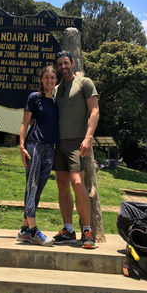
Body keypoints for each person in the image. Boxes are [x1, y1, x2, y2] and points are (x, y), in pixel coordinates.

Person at [51, 50, 100, 249]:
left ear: (72, 62)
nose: (63, 67)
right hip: (57, 142)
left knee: (77, 182)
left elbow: (95, 110)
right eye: (59, 64)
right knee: (62, 183)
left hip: (76, 142)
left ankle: (87, 230)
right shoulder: (56, 89)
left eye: (66, 63)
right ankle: (68, 229)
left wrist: (88, 138)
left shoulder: (85, 83)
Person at [16, 66, 60, 247]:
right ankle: (34, 232)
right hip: (34, 144)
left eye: (52, 78)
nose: (49, 80)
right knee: (31, 186)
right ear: (41, 79)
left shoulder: (57, 102)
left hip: (51, 148)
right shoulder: (34, 97)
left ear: (56, 80)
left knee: (38, 189)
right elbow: (24, 123)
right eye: (46, 77)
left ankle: (24, 230)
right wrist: (21, 146)